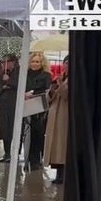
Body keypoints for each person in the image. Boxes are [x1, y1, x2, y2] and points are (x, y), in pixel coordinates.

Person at [44, 55, 69, 184]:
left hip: (65, 116)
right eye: (66, 63)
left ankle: (65, 174)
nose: (67, 66)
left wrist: (60, 85)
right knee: (55, 146)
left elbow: (66, 94)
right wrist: (52, 90)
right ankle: (58, 173)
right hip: (54, 114)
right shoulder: (59, 77)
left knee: (62, 146)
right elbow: (49, 98)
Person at [0, 54, 21, 163]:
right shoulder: (2, 74)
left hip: (14, 105)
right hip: (3, 106)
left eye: (7, 62)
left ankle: (15, 153)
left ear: (13, 62)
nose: (4, 64)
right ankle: (7, 153)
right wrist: (4, 85)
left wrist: (8, 82)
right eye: (3, 62)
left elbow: (18, 85)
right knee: (5, 129)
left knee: (13, 128)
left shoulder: (18, 72)